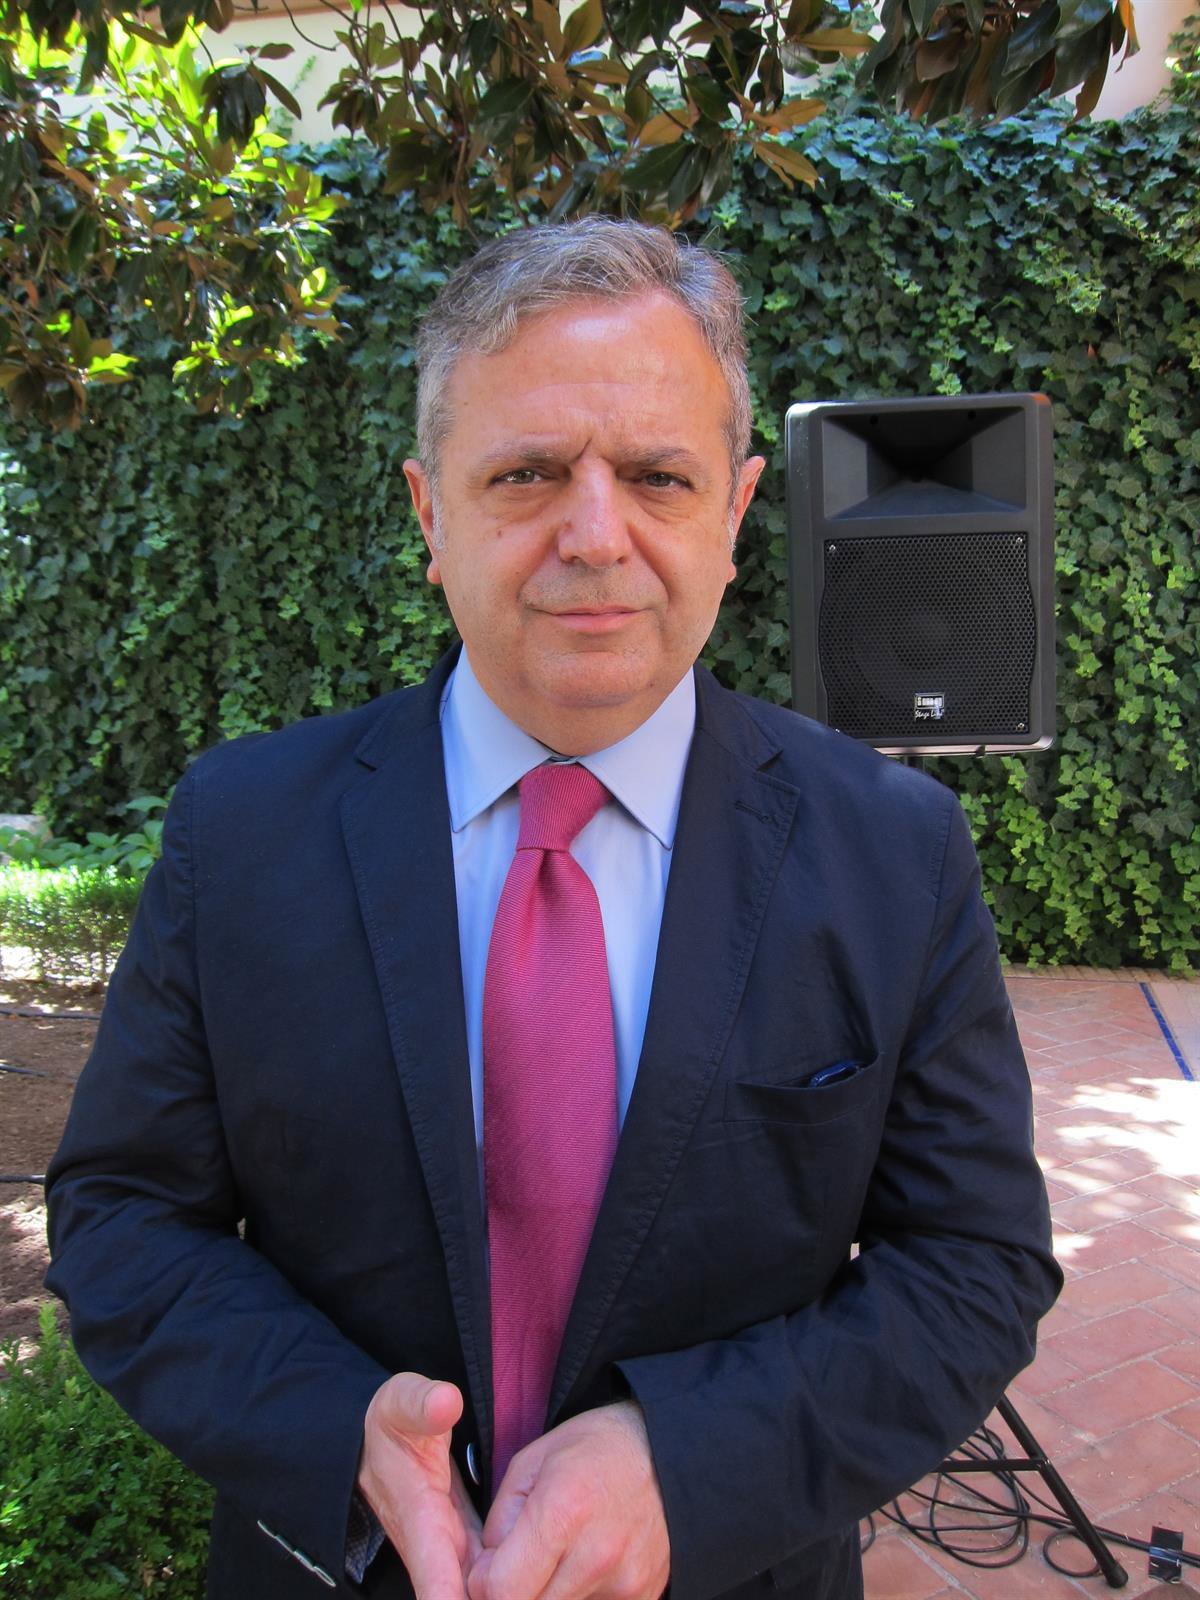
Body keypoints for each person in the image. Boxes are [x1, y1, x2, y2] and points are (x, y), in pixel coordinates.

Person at [45, 217, 1060, 1600]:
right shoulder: (242, 830)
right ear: (430, 513)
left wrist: (688, 1461)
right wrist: (336, 1431)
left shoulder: (894, 850)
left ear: (735, 515)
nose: (595, 536)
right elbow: (122, 1214)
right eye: (525, 474)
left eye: (657, 476)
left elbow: (974, 1261)